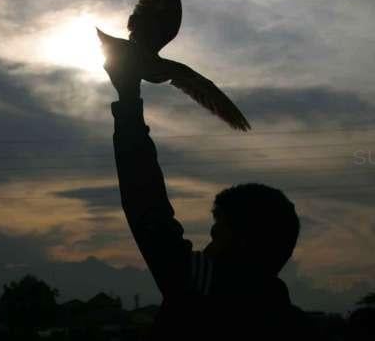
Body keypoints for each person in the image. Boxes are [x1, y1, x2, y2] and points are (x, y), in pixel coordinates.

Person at [104, 56, 306, 340]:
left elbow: (148, 208)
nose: (209, 240)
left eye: (218, 231)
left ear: (243, 242)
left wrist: (128, 99)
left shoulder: (208, 288)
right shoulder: (288, 321)